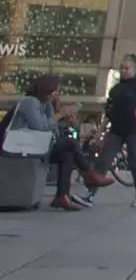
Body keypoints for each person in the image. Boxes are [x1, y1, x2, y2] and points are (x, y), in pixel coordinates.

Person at [2, 75, 113, 210]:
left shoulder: (46, 105)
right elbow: (40, 128)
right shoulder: (30, 102)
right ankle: (89, 175)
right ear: (46, 89)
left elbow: (53, 133)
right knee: (70, 144)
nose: (57, 94)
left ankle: (62, 196)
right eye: (55, 91)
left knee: (67, 152)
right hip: (19, 146)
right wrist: (59, 114)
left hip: (36, 145)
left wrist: (63, 120)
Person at [85, 54, 136, 208]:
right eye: (122, 68)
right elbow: (109, 113)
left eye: (127, 68)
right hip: (116, 130)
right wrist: (99, 133)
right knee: (104, 160)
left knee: (134, 162)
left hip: (135, 130)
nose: (123, 71)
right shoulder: (116, 90)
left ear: (135, 69)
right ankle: (90, 194)